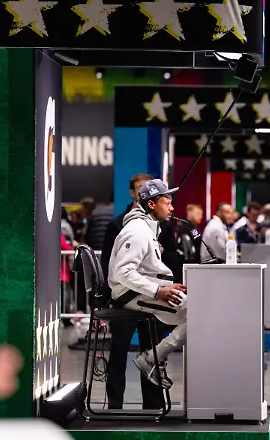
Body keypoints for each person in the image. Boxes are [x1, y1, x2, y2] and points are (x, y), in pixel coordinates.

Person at [108, 179, 187, 389]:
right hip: (130, 295)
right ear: (151, 205)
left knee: (198, 314)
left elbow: (143, 270)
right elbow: (123, 272)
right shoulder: (137, 231)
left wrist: (163, 285)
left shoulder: (148, 228)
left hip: (142, 291)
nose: (172, 207)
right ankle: (152, 359)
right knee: (198, 315)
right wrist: (158, 290)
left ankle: (154, 358)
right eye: (167, 202)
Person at [100, 172, 166, 409]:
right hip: (124, 299)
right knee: (118, 352)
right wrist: (103, 301)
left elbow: (171, 259)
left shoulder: (161, 222)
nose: (146, 193)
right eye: (140, 189)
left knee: (153, 352)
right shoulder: (119, 224)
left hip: (152, 296)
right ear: (133, 193)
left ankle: (153, 404)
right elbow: (108, 264)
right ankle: (114, 405)